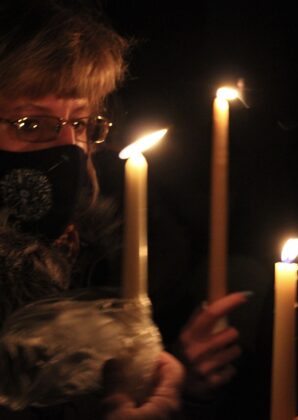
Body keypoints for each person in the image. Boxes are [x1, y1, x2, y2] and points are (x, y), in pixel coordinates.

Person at [0, 1, 184, 419]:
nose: (69, 147)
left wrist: (175, 381)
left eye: (80, 123)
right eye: (32, 123)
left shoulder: (100, 259)